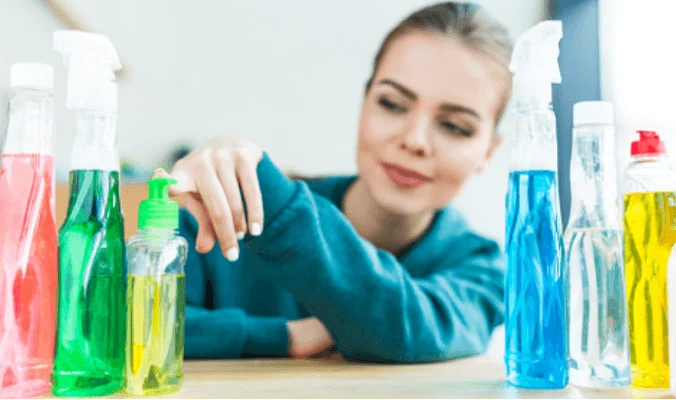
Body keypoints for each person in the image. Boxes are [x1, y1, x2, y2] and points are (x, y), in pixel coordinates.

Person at [161, 2, 513, 363]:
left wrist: (275, 203)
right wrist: (284, 336)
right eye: (392, 104)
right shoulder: (227, 217)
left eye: (455, 127)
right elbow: (124, 320)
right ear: (365, 103)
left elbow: (411, 328)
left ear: (489, 150)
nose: (415, 140)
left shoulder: (483, 269)